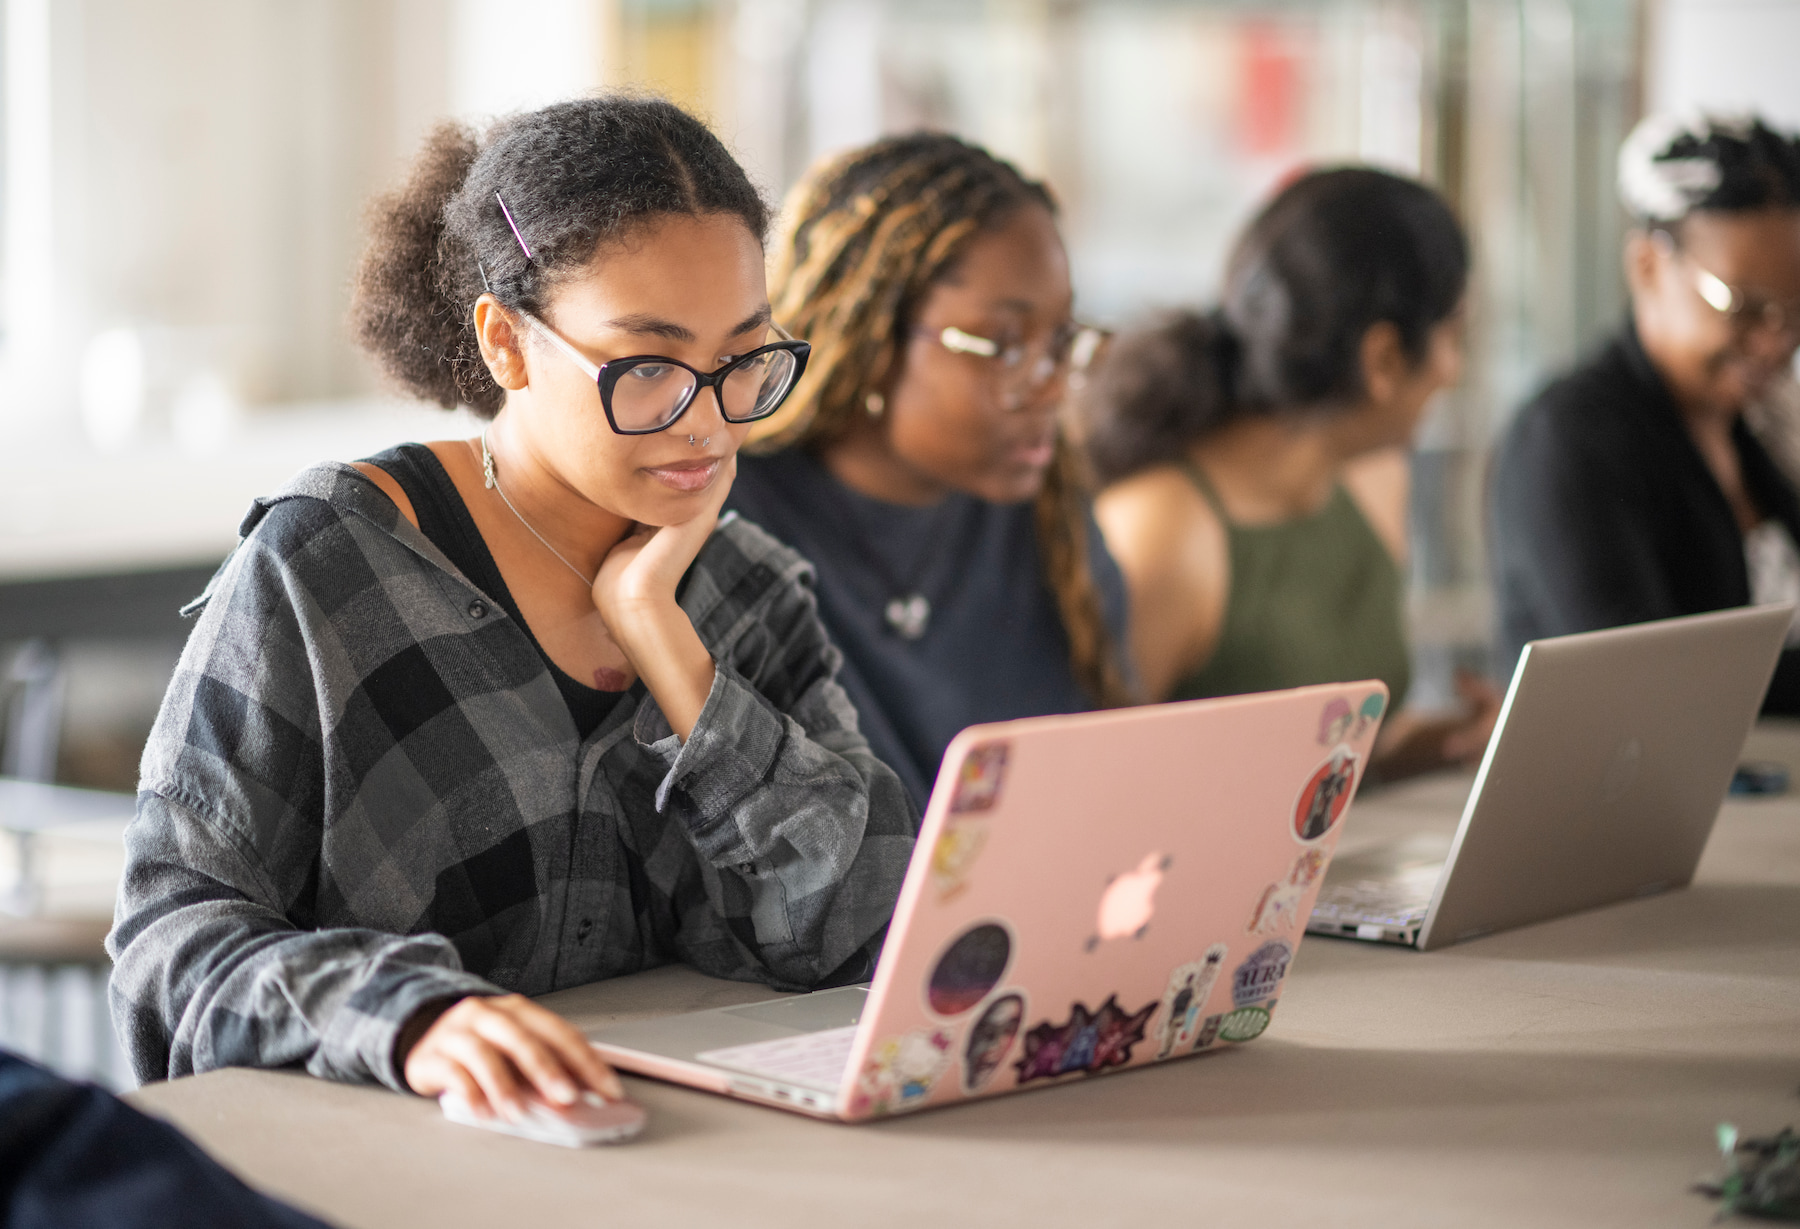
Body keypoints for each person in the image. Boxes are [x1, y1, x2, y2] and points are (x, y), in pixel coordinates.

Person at [106, 97, 914, 1121]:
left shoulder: (749, 588)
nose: (708, 421)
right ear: (508, 344)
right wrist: (410, 1018)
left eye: (743, 358)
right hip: (386, 1166)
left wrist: (666, 640)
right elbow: (170, 945)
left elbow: (860, 933)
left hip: (677, 1162)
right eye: (651, 366)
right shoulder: (329, 566)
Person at [724, 133, 1133, 811]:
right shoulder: (731, 511)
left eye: (1062, 341)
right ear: (873, 340)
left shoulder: (1047, 512)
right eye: (1002, 345)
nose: (1054, 385)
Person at [1083, 167, 1497, 779]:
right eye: (1450, 336)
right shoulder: (1163, 529)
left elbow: (1319, 765)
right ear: (1382, 358)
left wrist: (1441, 746)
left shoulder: (1375, 477)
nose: (1453, 370)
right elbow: (1092, 789)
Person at [1491, 114, 1800, 711]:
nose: (1774, 342)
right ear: (1648, 267)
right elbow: (1645, 685)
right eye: (1744, 307)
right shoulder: (1569, 441)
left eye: (1794, 310)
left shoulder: (1760, 424)